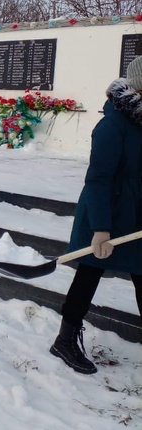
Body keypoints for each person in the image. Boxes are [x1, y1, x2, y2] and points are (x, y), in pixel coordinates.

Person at [50, 56, 142, 374]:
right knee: (89, 275)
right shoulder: (112, 125)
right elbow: (99, 178)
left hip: (138, 217)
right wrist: (101, 229)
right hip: (107, 213)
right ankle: (65, 339)